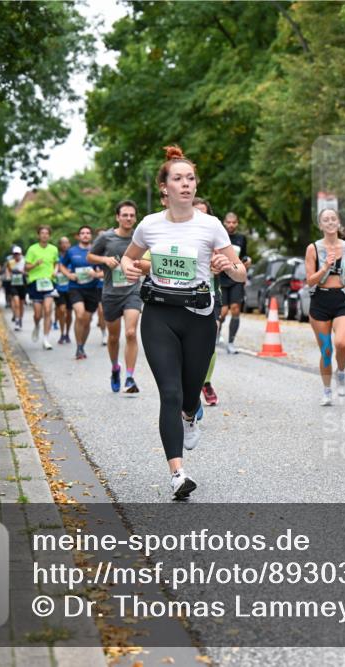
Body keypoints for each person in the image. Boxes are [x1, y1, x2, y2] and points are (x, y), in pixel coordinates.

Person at [120, 144, 245, 500]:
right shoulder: (149, 225)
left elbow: (240, 272)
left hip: (199, 317)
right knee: (170, 394)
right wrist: (129, 268)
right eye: (178, 178)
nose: (186, 184)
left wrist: (228, 267)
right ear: (165, 188)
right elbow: (128, 261)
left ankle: (192, 414)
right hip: (159, 314)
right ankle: (177, 474)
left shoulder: (211, 226)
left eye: (190, 178)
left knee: (189, 394)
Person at [304, 208, 345, 406]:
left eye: (333, 219)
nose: (329, 222)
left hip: (341, 299)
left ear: (338, 223)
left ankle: (341, 372)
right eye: (325, 220)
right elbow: (310, 280)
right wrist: (325, 267)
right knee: (326, 350)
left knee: (342, 343)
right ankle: (327, 390)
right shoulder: (313, 248)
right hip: (320, 301)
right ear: (321, 225)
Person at [89, 201, 143, 393]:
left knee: (130, 333)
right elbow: (90, 256)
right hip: (111, 293)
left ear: (135, 217)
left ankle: (129, 377)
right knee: (113, 337)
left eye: (132, 215)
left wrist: (141, 263)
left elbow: (149, 257)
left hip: (133, 291)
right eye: (125, 215)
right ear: (117, 217)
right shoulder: (106, 238)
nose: (128, 218)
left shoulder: (139, 237)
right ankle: (115, 368)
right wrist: (105, 259)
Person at [60, 226, 104, 360]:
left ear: (91, 236)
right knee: (79, 315)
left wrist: (96, 275)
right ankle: (78, 346)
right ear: (78, 236)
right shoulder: (71, 251)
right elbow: (61, 265)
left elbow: (106, 270)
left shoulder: (97, 251)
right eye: (82, 233)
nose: (85, 235)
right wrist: (69, 275)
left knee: (87, 320)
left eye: (87, 233)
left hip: (92, 289)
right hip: (75, 287)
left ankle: (82, 346)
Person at [195, 198, 221, 406]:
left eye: (204, 213)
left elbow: (234, 264)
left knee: (211, 334)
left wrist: (222, 263)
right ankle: (191, 386)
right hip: (183, 294)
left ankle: (206, 381)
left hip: (211, 291)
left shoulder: (216, 234)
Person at [216, 212, 251, 354]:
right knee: (223, 312)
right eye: (228, 222)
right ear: (224, 222)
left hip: (236, 278)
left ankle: (231, 342)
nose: (231, 225)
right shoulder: (219, 236)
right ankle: (217, 332)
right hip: (222, 278)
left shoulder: (241, 238)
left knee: (235, 308)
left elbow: (244, 256)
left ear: (237, 223)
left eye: (234, 222)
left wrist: (247, 261)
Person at [24, 225, 59, 350]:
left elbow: (56, 263)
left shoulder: (54, 249)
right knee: (38, 314)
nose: (44, 235)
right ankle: (37, 324)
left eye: (47, 233)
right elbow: (26, 267)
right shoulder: (32, 249)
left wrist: (55, 271)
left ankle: (46, 339)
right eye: (42, 233)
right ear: (38, 235)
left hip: (49, 282)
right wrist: (34, 264)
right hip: (35, 283)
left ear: (49, 235)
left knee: (48, 309)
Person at [54, 236, 73, 344]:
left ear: (69, 244)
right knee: (62, 310)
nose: (65, 245)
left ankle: (67, 333)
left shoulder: (73, 256)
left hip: (71, 288)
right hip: (59, 288)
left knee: (69, 313)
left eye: (67, 242)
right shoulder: (56, 257)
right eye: (63, 243)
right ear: (60, 245)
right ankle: (62, 333)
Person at [5, 246, 26, 330]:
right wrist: (8, 275)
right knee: (16, 303)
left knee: (21, 304)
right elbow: (8, 270)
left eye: (18, 254)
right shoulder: (11, 262)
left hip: (23, 284)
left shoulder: (24, 261)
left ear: (21, 254)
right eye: (15, 254)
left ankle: (20, 319)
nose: (16, 256)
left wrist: (23, 272)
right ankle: (17, 320)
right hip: (14, 284)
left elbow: (27, 270)